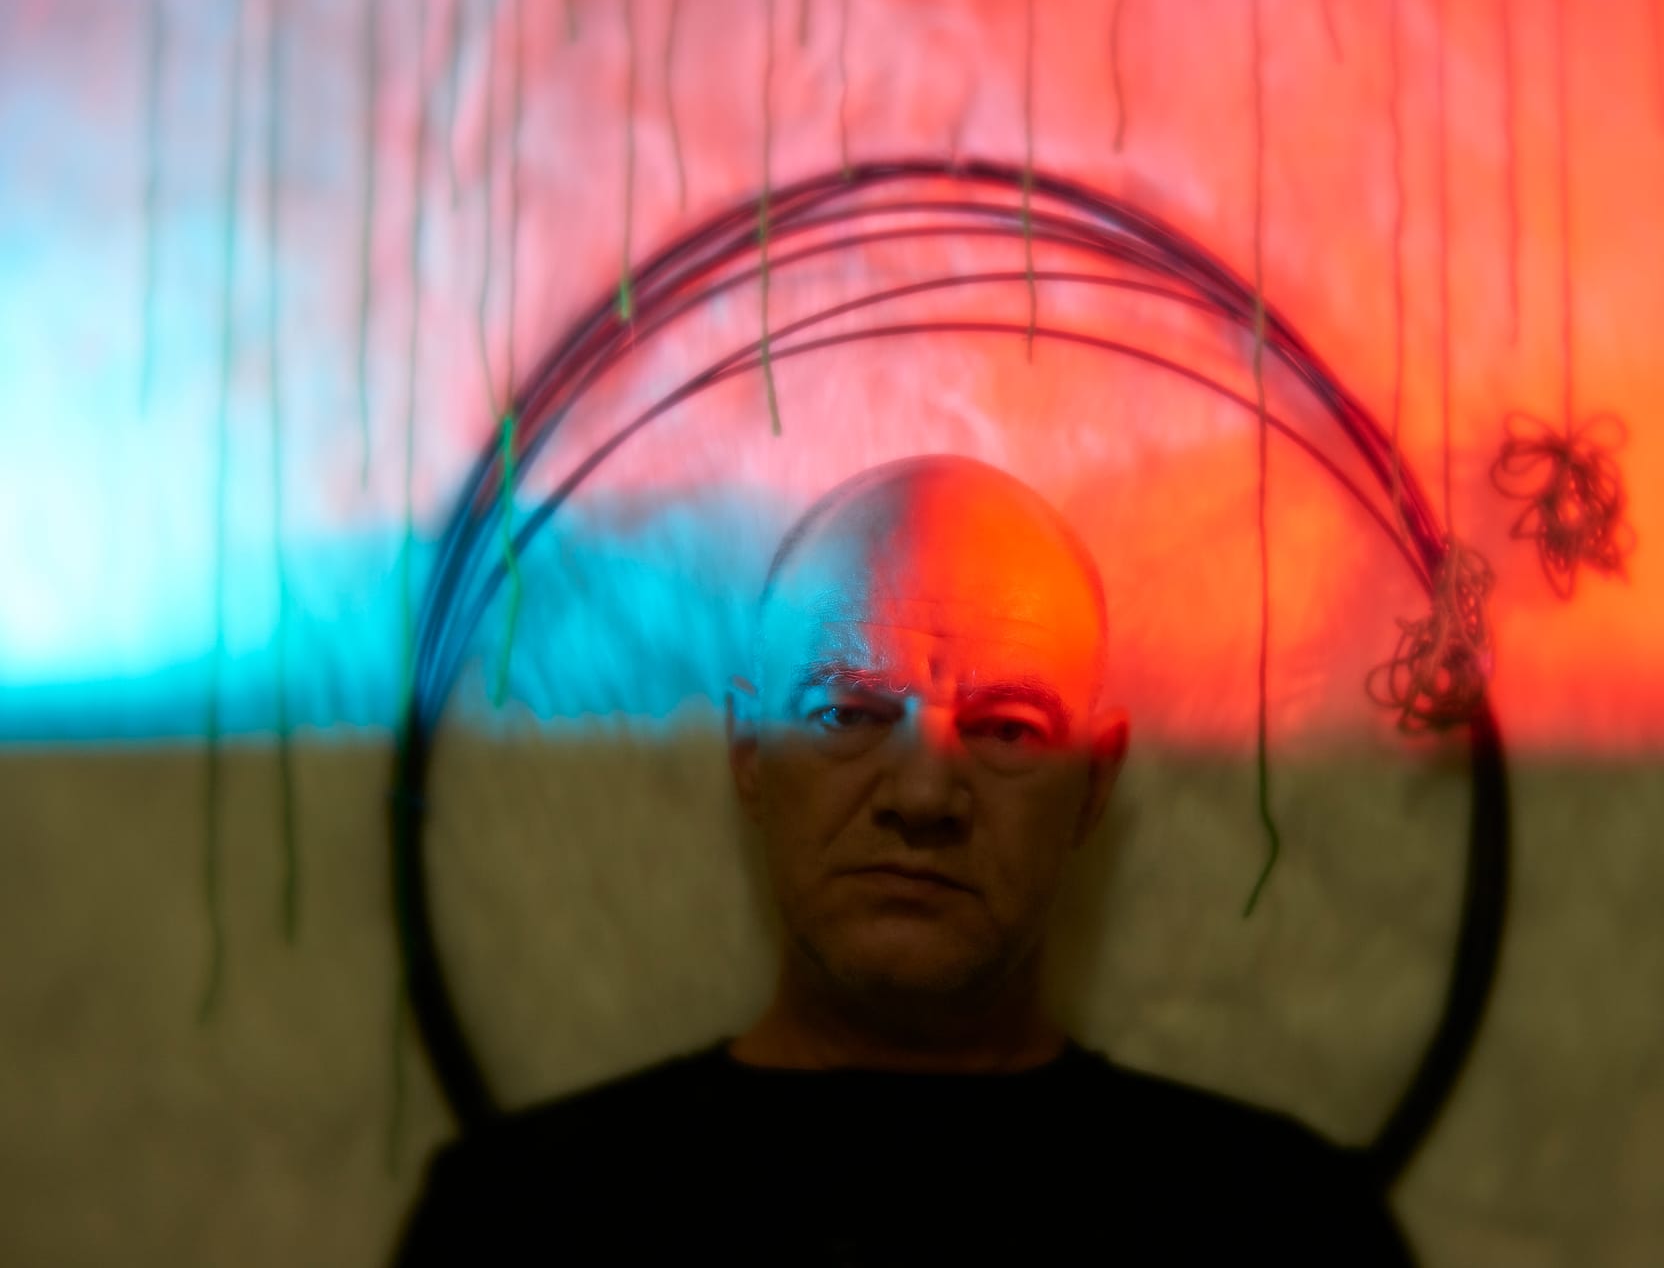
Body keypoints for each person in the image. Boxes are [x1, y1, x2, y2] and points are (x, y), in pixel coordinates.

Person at [393, 455, 1414, 1265]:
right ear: (748, 751)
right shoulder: (518, 1219)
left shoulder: (1286, 1224)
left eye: (1007, 729)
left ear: (1094, 783)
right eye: (847, 714)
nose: (922, 797)